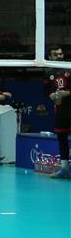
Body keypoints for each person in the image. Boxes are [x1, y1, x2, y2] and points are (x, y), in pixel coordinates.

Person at [46, 46, 71, 179]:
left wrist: (67, 93)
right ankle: (64, 168)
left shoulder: (69, 67)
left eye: (61, 54)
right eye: (56, 54)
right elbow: (47, 91)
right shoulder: (48, 72)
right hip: (61, 110)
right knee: (62, 138)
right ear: (50, 57)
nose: (59, 56)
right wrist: (52, 96)